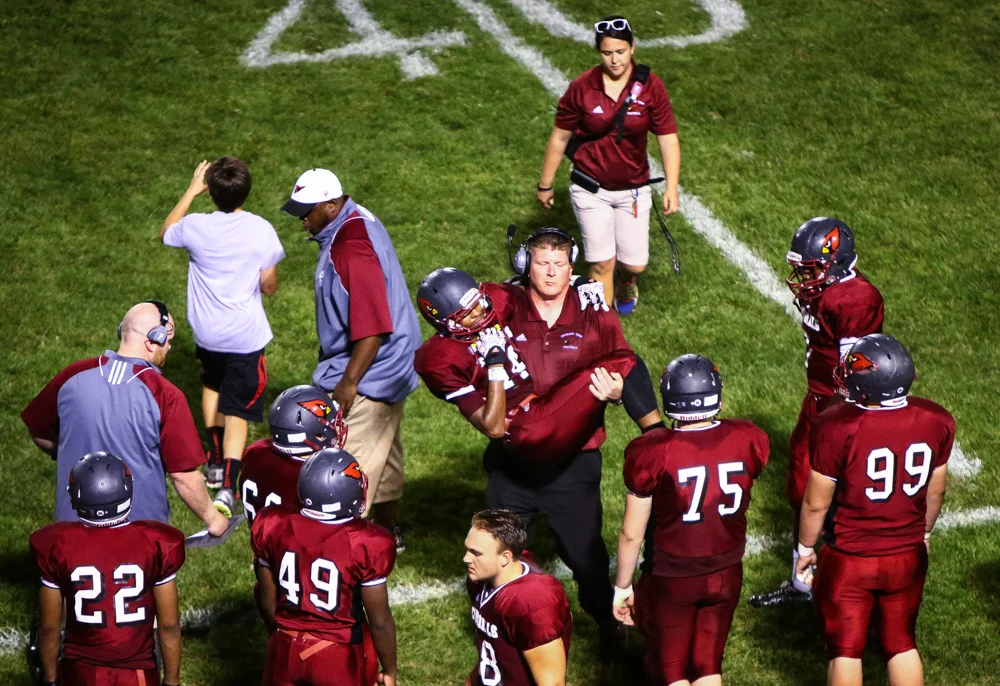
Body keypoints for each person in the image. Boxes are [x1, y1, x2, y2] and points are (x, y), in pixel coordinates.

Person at [473, 229, 659, 649]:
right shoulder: (504, 306)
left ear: (571, 269)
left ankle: (611, 630)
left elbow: (626, 362)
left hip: (574, 464)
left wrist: (618, 397)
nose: (551, 272)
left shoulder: (593, 308)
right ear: (526, 265)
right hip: (513, 464)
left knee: (587, 561)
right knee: (494, 553)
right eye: (542, 263)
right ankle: (494, 636)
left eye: (559, 264)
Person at [794, 335, 953, 686]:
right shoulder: (936, 419)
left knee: (846, 649)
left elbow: (816, 502)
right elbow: (936, 490)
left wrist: (804, 549)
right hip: (906, 555)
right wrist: (923, 533)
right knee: (901, 643)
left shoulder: (836, 425)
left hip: (851, 557)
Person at [280, 168, 420, 550]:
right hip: (386, 364)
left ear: (331, 204)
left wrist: (348, 383)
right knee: (384, 450)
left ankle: (340, 554)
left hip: (373, 370)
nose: (301, 219)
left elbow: (373, 327)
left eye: (307, 211)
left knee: (345, 471)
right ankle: (389, 534)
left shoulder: (351, 248)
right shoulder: (350, 221)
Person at [750, 217, 884, 607]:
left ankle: (841, 584)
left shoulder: (855, 298)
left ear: (835, 262)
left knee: (838, 496)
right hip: (819, 399)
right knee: (799, 486)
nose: (802, 277)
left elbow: (855, 370)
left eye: (810, 269)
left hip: (845, 406)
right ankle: (803, 581)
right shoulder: (826, 289)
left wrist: (838, 421)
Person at [613, 355, 769, 686]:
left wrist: (623, 585)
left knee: (672, 673)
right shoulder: (747, 437)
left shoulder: (652, 451)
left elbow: (631, 534)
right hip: (727, 570)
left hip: (676, 576)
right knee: (708, 666)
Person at [21, 301, 228, 536]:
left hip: (72, 532)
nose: (169, 348)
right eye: (167, 342)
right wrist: (213, 519)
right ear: (153, 340)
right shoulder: (164, 394)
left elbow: (37, 430)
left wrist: (67, 450)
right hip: (138, 535)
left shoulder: (72, 375)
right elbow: (183, 477)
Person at [414, 266, 660, 463]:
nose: (480, 312)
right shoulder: (439, 360)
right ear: (444, 322)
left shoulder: (495, 298)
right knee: (623, 361)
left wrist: (576, 281)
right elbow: (494, 428)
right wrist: (495, 365)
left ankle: (656, 439)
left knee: (613, 354)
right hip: (523, 427)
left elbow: (526, 285)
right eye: (467, 314)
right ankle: (659, 442)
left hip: (546, 395)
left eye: (479, 302)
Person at [161, 157, 286, 517]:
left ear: (211, 192)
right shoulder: (261, 230)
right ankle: (229, 485)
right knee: (239, 409)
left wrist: (190, 190)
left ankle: (213, 461)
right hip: (244, 337)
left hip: (207, 333)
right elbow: (270, 286)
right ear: (246, 190)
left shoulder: (196, 226)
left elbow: (167, 230)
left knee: (212, 386)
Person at [536, 15, 681, 314]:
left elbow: (668, 138)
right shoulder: (582, 87)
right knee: (602, 263)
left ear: (632, 47)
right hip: (590, 187)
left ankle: (628, 281)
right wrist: (545, 184)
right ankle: (604, 330)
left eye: (620, 51)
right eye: (607, 53)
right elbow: (560, 138)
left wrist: (673, 187)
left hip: (634, 189)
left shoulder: (651, 87)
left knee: (634, 263)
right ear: (598, 52)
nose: (614, 60)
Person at [29, 452, 186, 686]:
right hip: (136, 673)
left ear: (75, 497)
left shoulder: (58, 545)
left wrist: (51, 680)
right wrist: (171, 681)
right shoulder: (155, 543)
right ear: (127, 492)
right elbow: (169, 625)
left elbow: (50, 629)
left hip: (79, 672)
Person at [251, 448, 398, 686]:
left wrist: (279, 635)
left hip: (285, 645)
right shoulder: (367, 542)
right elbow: (379, 621)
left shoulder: (274, 525)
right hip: (335, 654)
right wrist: (390, 669)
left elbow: (266, 598)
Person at [463, 509, 572, 686]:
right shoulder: (480, 580)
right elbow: (491, 647)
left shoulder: (532, 602)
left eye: (476, 553)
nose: (466, 559)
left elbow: (553, 683)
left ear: (505, 557)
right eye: (467, 550)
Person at [240, 384, 346, 526]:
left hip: (260, 535)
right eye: (331, 424)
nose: (335, 428)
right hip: (293, 545)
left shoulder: (255, 451)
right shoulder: (318, 479)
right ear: (316, 433)